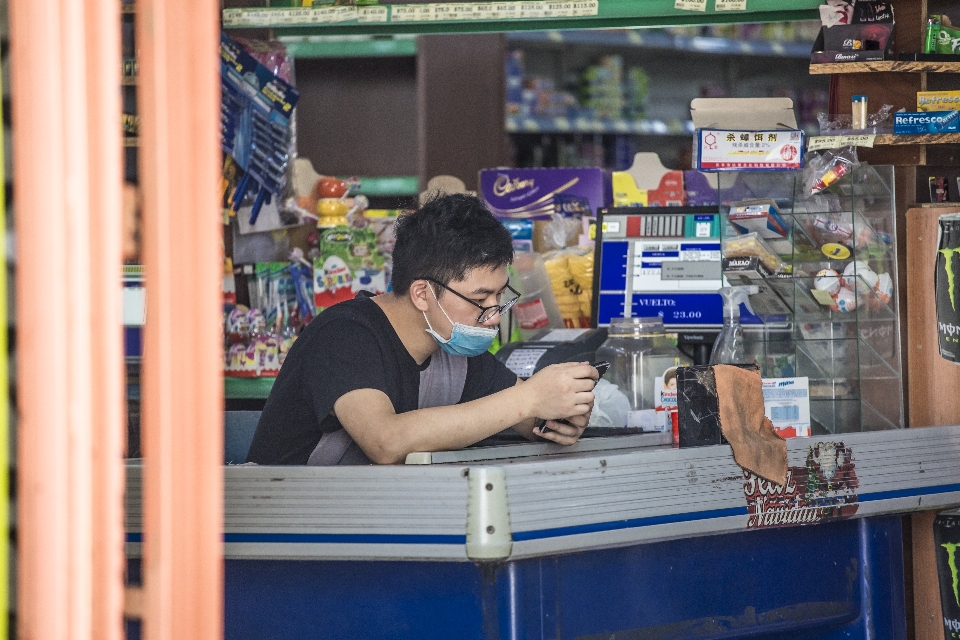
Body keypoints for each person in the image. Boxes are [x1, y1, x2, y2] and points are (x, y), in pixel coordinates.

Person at [246, 193, 597, 465]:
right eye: (480, 298)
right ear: (422, 293)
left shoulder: (453, 348)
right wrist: (527, 399)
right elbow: (385, 442)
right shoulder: (344, 335)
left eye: (499, 297)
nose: (493, 315)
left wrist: (557, 416)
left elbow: (526, 417)